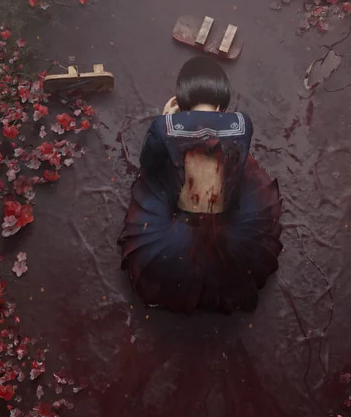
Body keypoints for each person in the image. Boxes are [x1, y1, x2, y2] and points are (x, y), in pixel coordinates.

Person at [118, 56, 282, 313]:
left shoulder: (165, 125)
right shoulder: (243, 123)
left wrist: (166, 122)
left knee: (162, 170)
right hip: (228, 218)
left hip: (180, 223)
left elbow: (148, 163)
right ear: (221, 95)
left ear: (184, 97)